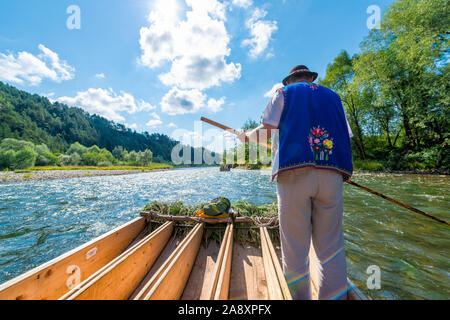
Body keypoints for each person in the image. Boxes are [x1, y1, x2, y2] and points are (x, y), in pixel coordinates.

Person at [238, 65, 354, 300]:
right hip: (331, 174)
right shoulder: (335, 98)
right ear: (311, 78)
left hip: (294, 174)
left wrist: (247, 136)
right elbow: (346, 136)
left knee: (294, 250)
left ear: (290, 80)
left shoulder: (283, 93)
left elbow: (266, 132)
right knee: (331, 249)